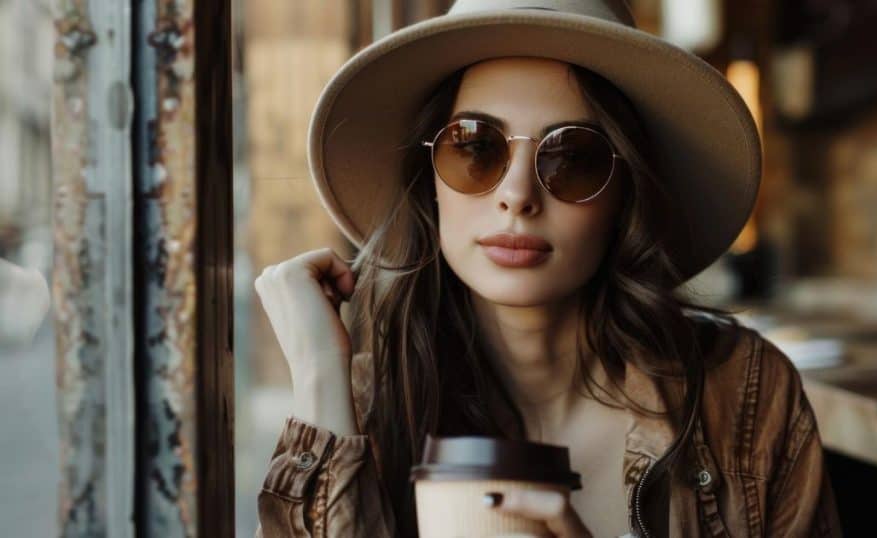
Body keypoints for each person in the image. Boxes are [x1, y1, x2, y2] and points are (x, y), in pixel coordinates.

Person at [254, 1, 841, 536]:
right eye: (475, 146)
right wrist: (321, 376)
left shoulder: (743, 395)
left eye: (572, 158)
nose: (517, 195)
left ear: (624, 198)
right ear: (428, 181)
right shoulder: (361, 403)